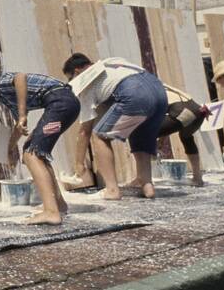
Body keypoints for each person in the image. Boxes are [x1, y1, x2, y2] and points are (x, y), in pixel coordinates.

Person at [0, 61, 79, 224]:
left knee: (31, 154)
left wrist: (23, 115)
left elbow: (20, 77)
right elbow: (19, 126)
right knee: (35, 150)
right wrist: (9, 148)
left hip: (59, 102)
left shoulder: (2, 84)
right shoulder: (7, 97)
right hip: (66, 103)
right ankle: (58, 205)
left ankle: (51, 212)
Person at [61, 55, 168, 200]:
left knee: (100, 135)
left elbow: (84, 131)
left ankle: (112, 190)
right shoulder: (112, 61)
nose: (71, 82)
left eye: (70, 78)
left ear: (78, 71)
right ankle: (147, 185)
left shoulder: (86, 82)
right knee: (140, 136)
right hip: (159, 92)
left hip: (134, 93)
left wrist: (79, 165)